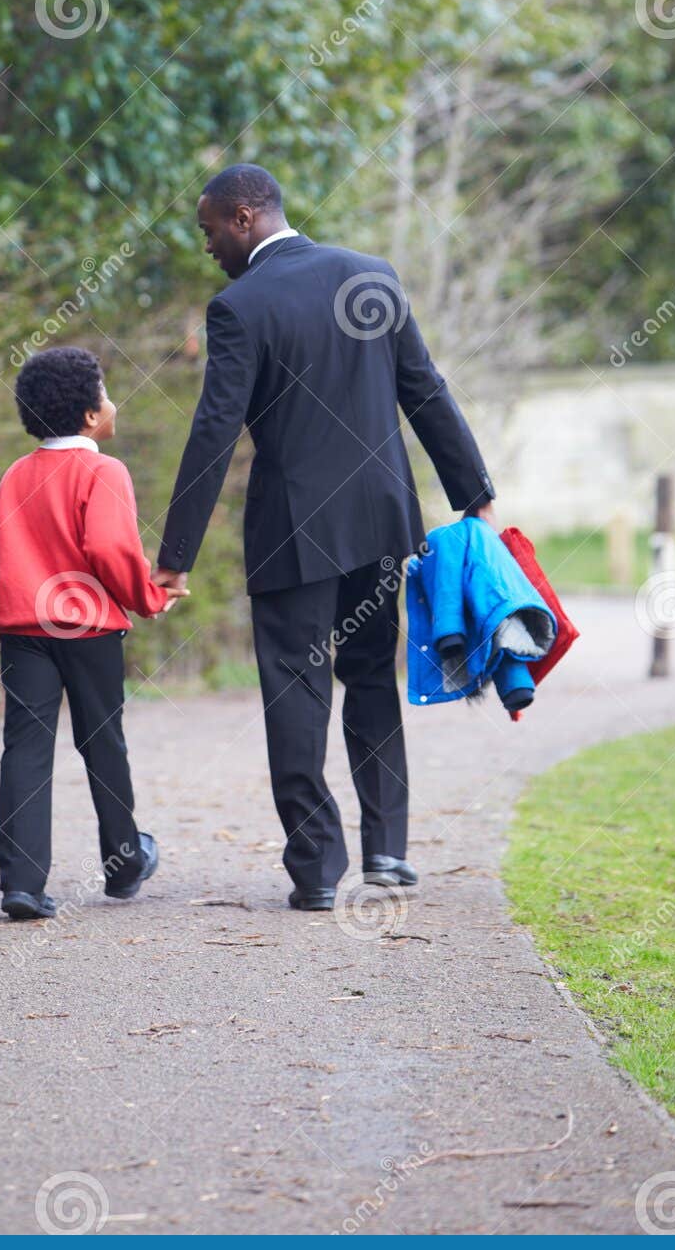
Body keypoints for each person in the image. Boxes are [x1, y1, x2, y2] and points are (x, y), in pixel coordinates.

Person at [154, 164, 496, 910]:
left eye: (209, 229)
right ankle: (387, 851)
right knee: (370, 676)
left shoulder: (239, 307)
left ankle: (315, 871)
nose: (207, 246)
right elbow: (424, 388)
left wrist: (175, 555)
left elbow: (214, 431)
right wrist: (473, 493)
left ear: (243, 218)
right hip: (379, 519)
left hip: (293, 529)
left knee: (296, 688)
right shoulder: (369, 275)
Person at [0, 345, 184, 920]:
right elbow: (108, 547)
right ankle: (123, 864)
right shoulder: (104, 471)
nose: (112, 402)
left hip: (23, 626)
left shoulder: (14, 474)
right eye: (106, 393)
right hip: (88, 627)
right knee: (103, 742)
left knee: (25, 746)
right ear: (92, 414)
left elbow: (0, 550)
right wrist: (149, 597)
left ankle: (22, 882)